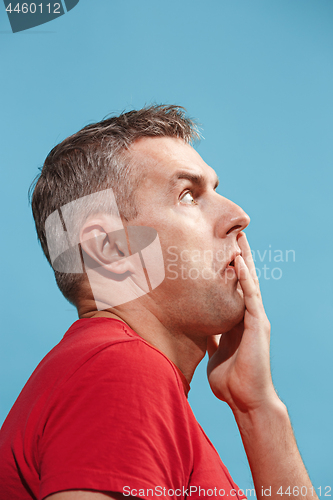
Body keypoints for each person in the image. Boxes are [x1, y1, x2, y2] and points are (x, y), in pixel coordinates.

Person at [0, 105, 317, 500]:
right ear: (108, 249)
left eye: (215, 190)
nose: (239, 216)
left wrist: (257, 409)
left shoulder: (113, 372)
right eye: (188, 195)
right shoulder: (119, 372)